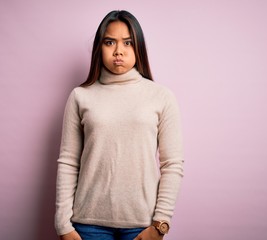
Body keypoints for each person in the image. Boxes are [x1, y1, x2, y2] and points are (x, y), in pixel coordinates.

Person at [55, 10, 184, 240]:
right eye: (109, 42)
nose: (118, 51)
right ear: (99, 47)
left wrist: (161, 223)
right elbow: (68, 162)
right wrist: (63, 225)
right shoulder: (80, 96)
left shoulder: (161, 97)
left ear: (139, 47)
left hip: (142, 224)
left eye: (128, 42)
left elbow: (172, 164)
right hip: (87, 225)